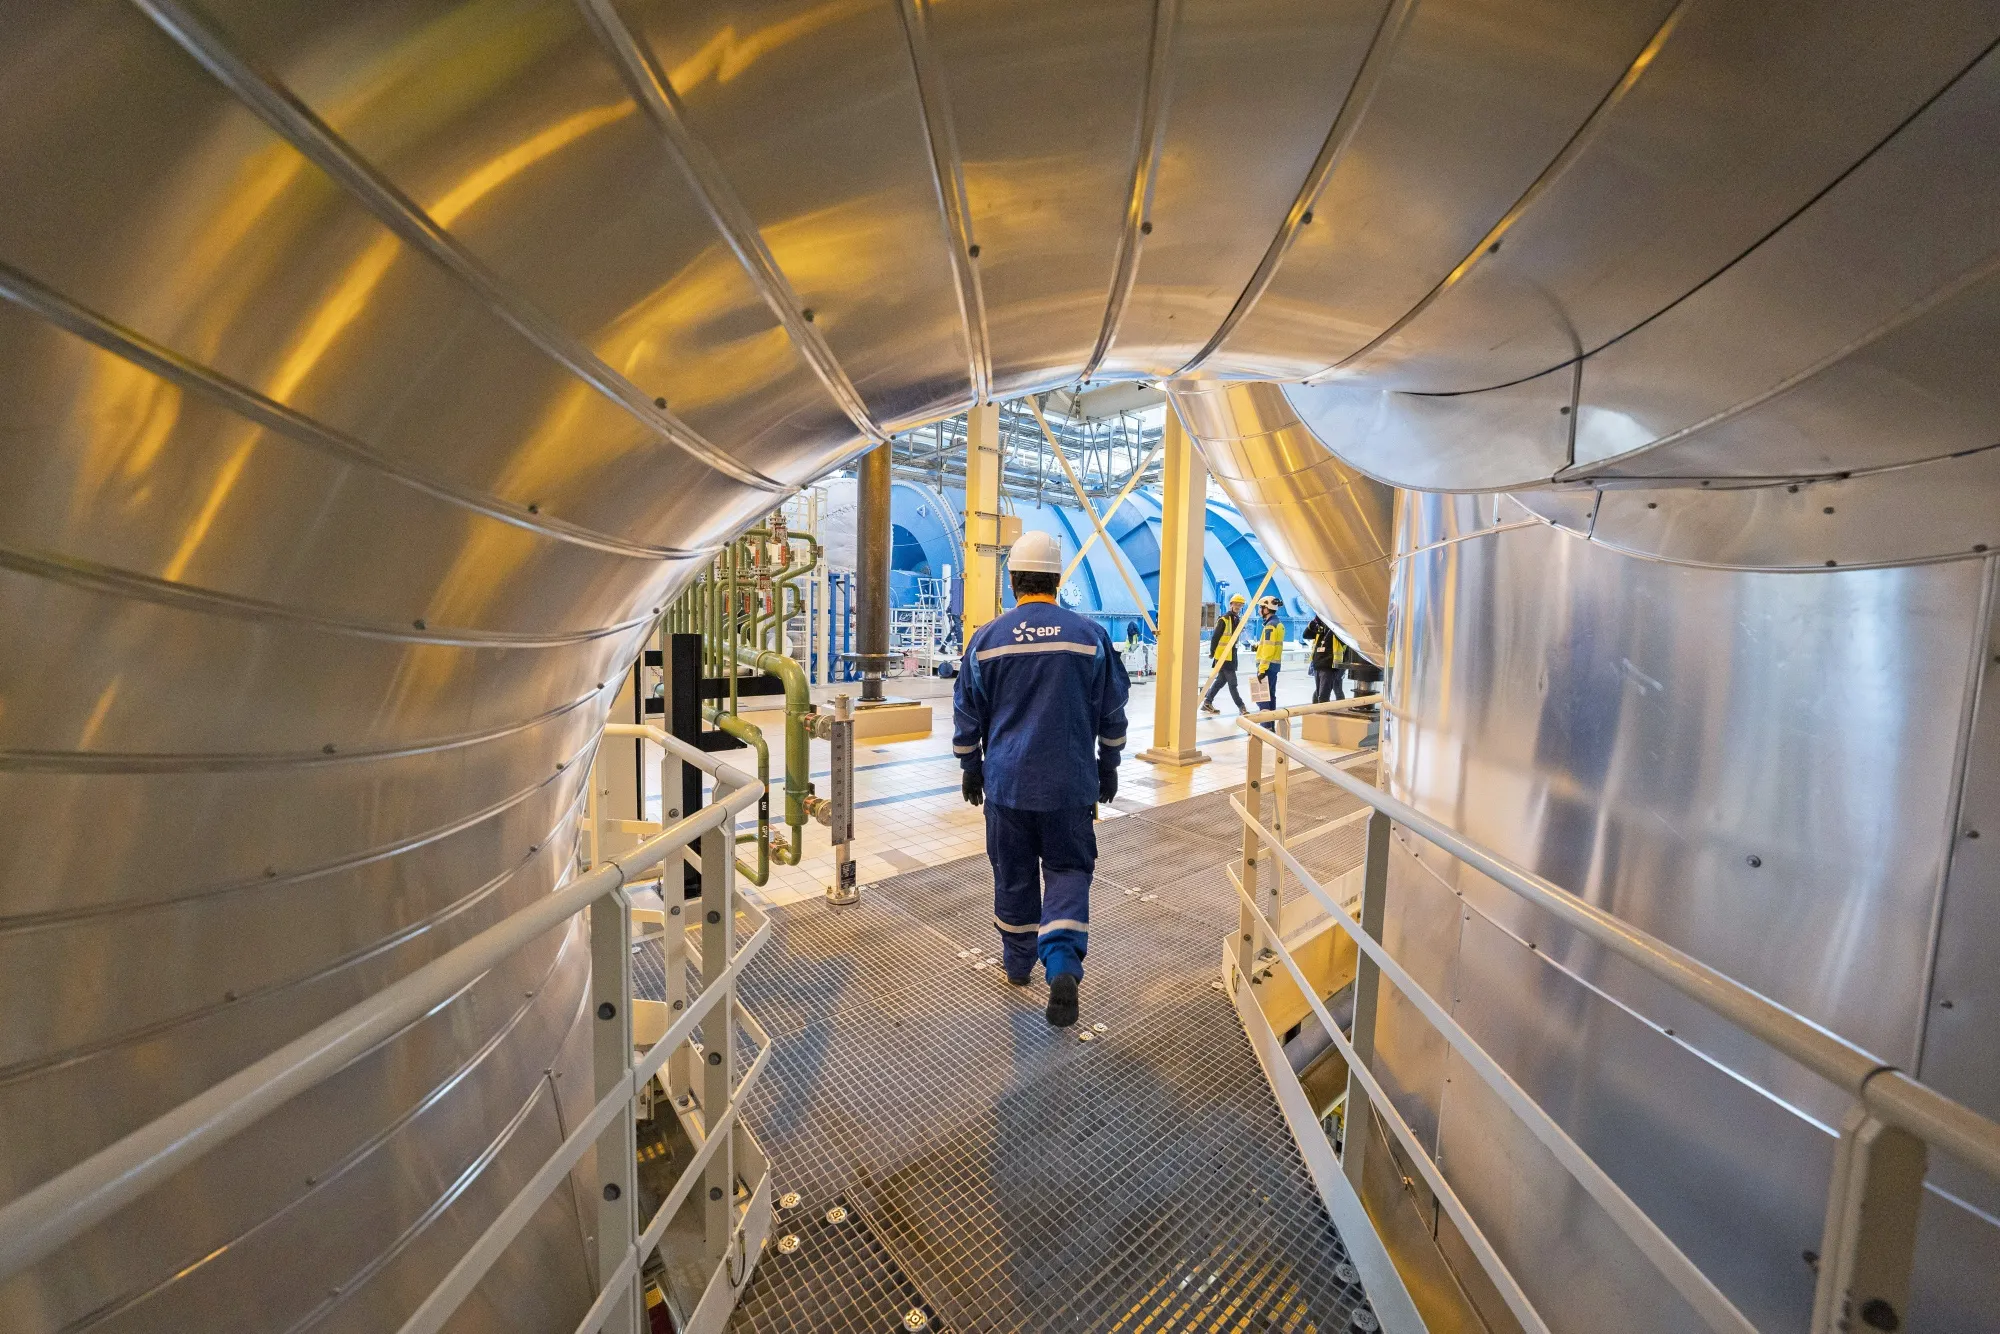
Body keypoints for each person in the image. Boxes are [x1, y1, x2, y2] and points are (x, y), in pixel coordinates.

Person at [954, 529, 1130, 1027]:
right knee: (1069, 871)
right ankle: (1063, 967)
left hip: (1007, 787)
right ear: (1057, 580)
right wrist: (1108, 769)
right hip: (1071, 786)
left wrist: (971, 772)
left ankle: (1016, 967)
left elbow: (967, 718)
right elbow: (1113, 714)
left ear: (1012, 582)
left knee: (1012, 873)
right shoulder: (1089, 636)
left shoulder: (986, 640)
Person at [1201, 593, 1249, 715]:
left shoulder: (1237, 620)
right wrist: (1212, 652)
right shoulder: (1223, 620)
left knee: (1221, 681)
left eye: (1240, 604)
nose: (1238, 606)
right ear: (1231, 604)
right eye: (1236, 604)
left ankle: (1207, 702)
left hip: (1231, 656)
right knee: (1233, 683)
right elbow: (1215, 637)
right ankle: (1241, 706)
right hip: (1223, 656)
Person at [1253, 595, 1285, 710]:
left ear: (1266, 609)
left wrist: (1262, 670)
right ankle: (1270, 726)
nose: (1259, 610)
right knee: (1270, 696)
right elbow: (1271, 645)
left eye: (1260, 607)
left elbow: (1268, 649)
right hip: (1274, 666)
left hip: (1267, 667)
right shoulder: (1278, 624)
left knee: (1262, 698)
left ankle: (1265, 726)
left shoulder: (1270, 626)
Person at [1304, 615, 1345, 704]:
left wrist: (1334, 625)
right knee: (1318, 692)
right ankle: (1316, 713)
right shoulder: (1320, 628)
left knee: (1325, 694)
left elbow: (1344, 641)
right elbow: (1306, 635)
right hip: (1318, 664)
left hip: (1329, 665)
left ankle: (1325, 714)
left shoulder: (1337, 629)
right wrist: (1315, 621)